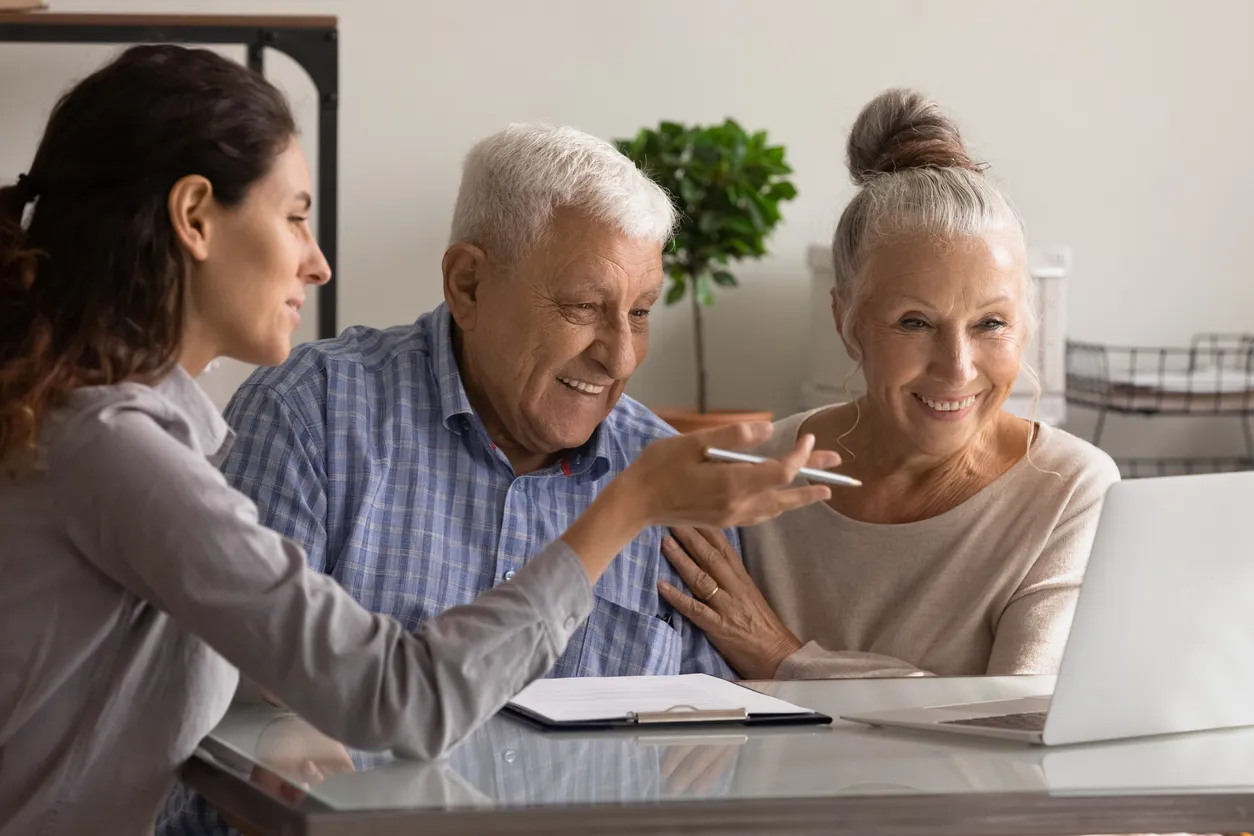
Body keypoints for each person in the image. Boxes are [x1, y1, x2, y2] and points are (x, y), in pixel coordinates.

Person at [0, 45, 836, 836]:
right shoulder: (123, 449)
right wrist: (628, 506)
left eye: (641, 311)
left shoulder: (123, 436)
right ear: (194, 216)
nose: (318, 263)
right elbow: (395, 697)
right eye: (294, 216)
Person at [658, 88, 1121, 681]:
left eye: (991, 323)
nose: (957, 366)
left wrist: (785, 660)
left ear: (1026, 324)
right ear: (846, 322)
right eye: (914, 322)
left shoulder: (1070, 489)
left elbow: (1016, 721)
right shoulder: (756, 472)